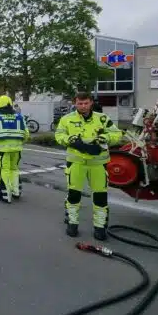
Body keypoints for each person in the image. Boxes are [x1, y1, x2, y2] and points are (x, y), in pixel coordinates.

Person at [55, 91, 123, 240]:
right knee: (74, 195)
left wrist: (103, 138)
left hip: (97, 163)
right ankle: (72, 223)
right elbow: (59, 135)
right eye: (80, 103)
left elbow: (117, 134)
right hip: (76, 162)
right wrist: (70, 140)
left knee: (100, 196)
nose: (83, 106)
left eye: (86, 103)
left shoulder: (103, 118)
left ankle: (99, 227)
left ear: (91, 102)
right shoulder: (66, 119)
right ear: (75, 103)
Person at [0, 95, 29, 203]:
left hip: (2, 150)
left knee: (4, 171)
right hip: (17, 149)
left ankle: (5, 196)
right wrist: (19, 143)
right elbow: (26, 134)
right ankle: (16, 192)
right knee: (14, 169)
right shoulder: (19, 117)